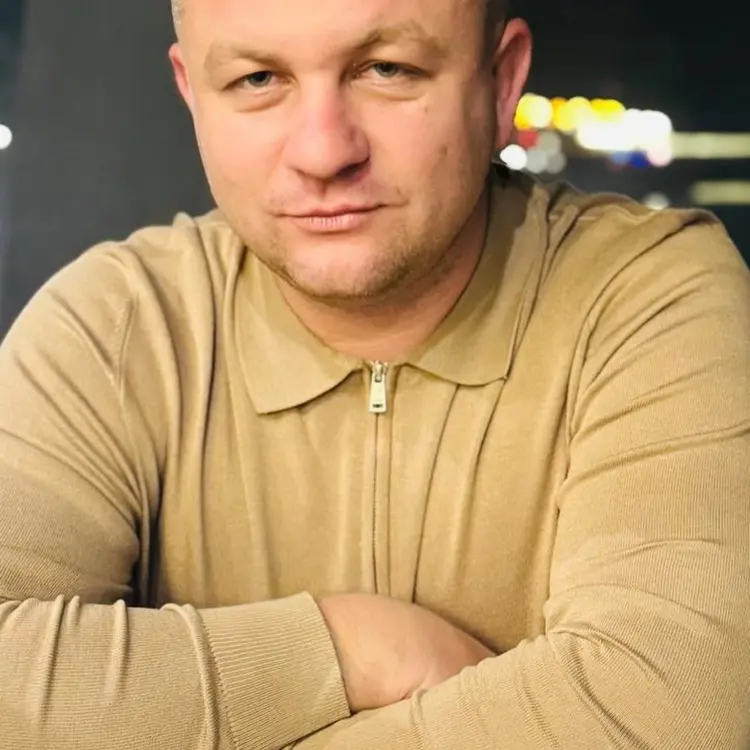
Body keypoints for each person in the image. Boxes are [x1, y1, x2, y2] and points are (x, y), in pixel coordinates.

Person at [1, 0, 749, 747]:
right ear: (192, 93)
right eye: (258, 79)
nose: (324, 152)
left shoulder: (650, 298)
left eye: (388, 69)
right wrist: (351, 649)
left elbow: (675, 711)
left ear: (500, 83)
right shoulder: (118, 326)